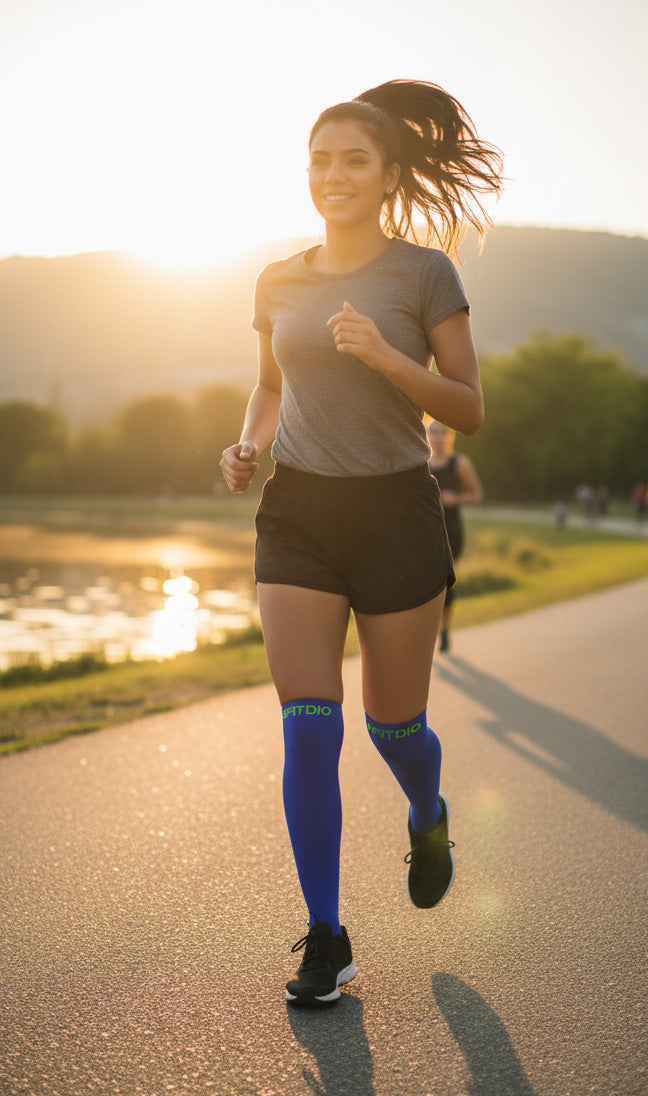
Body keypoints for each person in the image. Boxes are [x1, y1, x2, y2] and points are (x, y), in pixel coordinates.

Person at [219, 79, 502, 1008]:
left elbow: (468, 408)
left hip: (394, 514)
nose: (331, 174)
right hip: (298, 512)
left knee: (393, 727)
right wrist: (249, 444)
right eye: (318, 160)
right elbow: (270, 385)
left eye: (352, 160)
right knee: (308, 725)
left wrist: (385, 356)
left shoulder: (424, 276)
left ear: (386, 176)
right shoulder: (278, 279)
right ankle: (327, 935)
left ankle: (427, 812)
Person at [427, 421, 483, 652]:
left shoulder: (460, 464)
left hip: (452, 532)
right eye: (434, 433)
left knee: (445, 584)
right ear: (427, 436)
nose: (438, 437)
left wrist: (456, 498)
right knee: (426, 585)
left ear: (449, 436)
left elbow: (477, 494)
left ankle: (445, 631)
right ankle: (428, 632)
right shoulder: (421, 464)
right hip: (425, 533)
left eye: (443, 433)